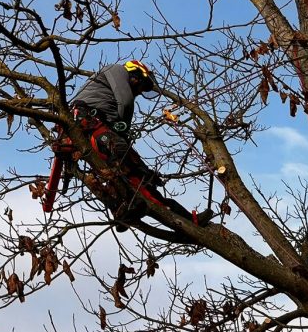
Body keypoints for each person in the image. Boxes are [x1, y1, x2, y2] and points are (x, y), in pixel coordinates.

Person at [68, 60, 213, 228]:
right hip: (89, 121)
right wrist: (123, 131)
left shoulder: (108, 89)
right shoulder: (117, 70)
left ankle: (126, 210)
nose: (138, 92)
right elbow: (125, 102)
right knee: (125, 161)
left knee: (132, 173)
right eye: (140, 87)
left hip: (96, 126)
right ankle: (132, 205)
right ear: (136, 75)